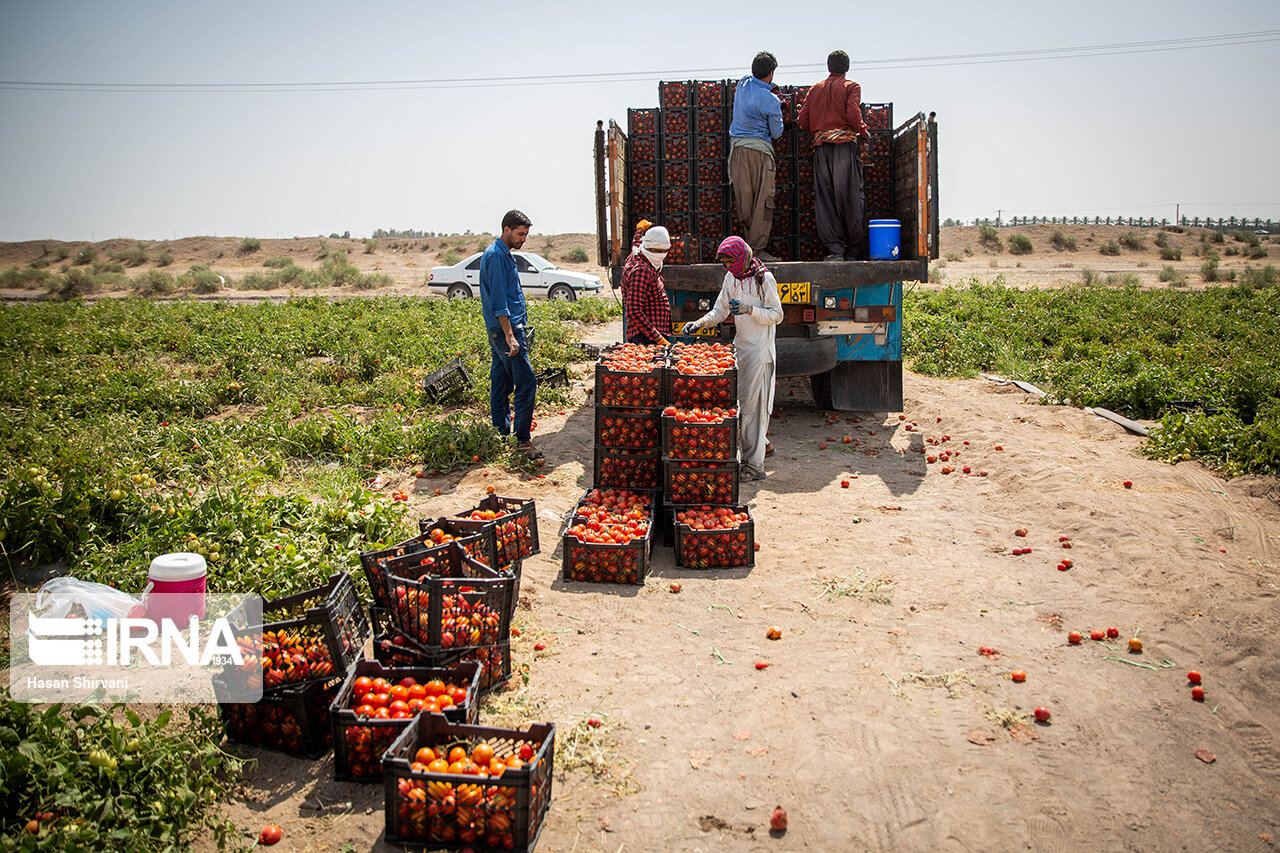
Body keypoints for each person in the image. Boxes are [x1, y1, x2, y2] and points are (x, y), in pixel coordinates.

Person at [681, 236, 783, 481]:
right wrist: (699, 323)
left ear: (742, 257)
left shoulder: (763, 279)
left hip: (760, 351)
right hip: (740, 348)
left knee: (753, 406)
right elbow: (720, 310)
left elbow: (777, 314)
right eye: (724, 262)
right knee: (742, 403)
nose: (728, 266)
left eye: (730, 261)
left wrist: (751, 310)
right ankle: (762, 445)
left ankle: (755, 466)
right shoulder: (731, 278)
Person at [797, 49, 871, 261]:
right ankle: (853, 251)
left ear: (828, 67)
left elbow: (803, 120)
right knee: (850, 198)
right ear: (846, 68)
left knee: (825, 200)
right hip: (844, 149)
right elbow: (852, 114)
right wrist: (864, 132)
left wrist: (821, 127)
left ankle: (835, 250)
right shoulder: (852, 87)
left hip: (821, 150)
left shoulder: (815, 89)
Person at [479, 209, 538, 452]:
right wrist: (511, 336)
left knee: (501, 384)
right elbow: (499, 302)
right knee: (526, 383)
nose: (523, 239)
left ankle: (500, 435)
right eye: (520, 234)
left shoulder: (502, 254)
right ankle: (521, 439)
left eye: (525, 235)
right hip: (506, 331)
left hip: (503, 331)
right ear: (507, 230)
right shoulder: (496, 256)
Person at [728, 51, 785, 262]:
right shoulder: (770, 101)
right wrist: (779, 106)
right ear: (771, 73)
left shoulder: (742, 85)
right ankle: (757, 252)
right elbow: (777, 133)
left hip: (738, 153)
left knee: (746, 201)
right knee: (763, 202)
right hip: (760, 154)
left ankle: (747, 252)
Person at [620, 220, 673, 346]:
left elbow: (636, 242)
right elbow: (633, 311)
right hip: (645, 338)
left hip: (651, 335)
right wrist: (658, 338)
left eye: (663, 251)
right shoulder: (641, 271)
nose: (660, 255)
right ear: (647, 248)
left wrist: (640, 229)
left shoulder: (637, 253)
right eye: (656, 251)